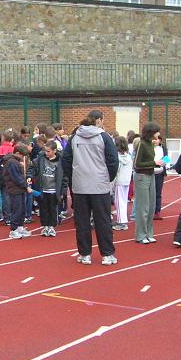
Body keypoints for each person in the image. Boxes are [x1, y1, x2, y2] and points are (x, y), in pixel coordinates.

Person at [61, 110, 119, 266]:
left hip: (80, 186)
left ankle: (85, 254)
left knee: (82, 222)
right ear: (99, 121)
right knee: (103, 221)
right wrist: (107, 178)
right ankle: (107, 254)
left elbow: (66, 160)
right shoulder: (104, 137)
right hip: (99, 186)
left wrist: (74, 178)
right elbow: (113, 161)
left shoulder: (74, 137)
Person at [133, 122, 164, 245]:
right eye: (157, 131)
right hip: (142, 177)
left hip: (151, 175)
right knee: (143, 207)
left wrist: (157, 163)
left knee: (151, 206)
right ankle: (141, 235)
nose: (158, 134)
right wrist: (154, 163)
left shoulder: (151, 144)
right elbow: (137, 164)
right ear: (151, 132)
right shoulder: (141, 144)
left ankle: (149, 233)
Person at [28, 139, 64, 237]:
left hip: (54, 190)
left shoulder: (60, 161)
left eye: (48, 151)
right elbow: (32, 168)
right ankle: (45, 226)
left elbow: (64, 178)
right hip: (43, 189)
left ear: (54, 151)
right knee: (43, 209)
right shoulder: (40, 159)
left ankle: (52, 227)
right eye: (45, 151)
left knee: (53, 209)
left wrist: (62, 191)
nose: (46, 153)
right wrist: (29, 176)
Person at [4, 143, 32, 239]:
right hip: (15, 189)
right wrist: (26, 186)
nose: (23, 157)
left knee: (22, 209)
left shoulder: (15, 162)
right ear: (17, 153)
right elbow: (16, 177)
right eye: (22, 155)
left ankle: (20, 227)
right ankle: (13, 230)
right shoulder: (12, 163)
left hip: (19, 189)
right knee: (16, 209)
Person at [112, 135, 132, 231]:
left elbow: (116, 170)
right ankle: (122, 220)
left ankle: (122, 223)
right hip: (126, 181)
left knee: (119, 202)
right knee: (123, 201)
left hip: (119, 181)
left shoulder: (117, 157)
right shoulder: (128, 156)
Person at [153, 133, 169, 219]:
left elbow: (167, 158)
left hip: (160, 172)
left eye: (157, 139)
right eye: (154, 139)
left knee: (158, 192)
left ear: (160, 140)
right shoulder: (149, 148)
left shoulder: (163, 148)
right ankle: (150, 211)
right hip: (150, 172)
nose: (155, 141)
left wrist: (161, 163)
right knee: (150, 193)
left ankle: (157, 211)